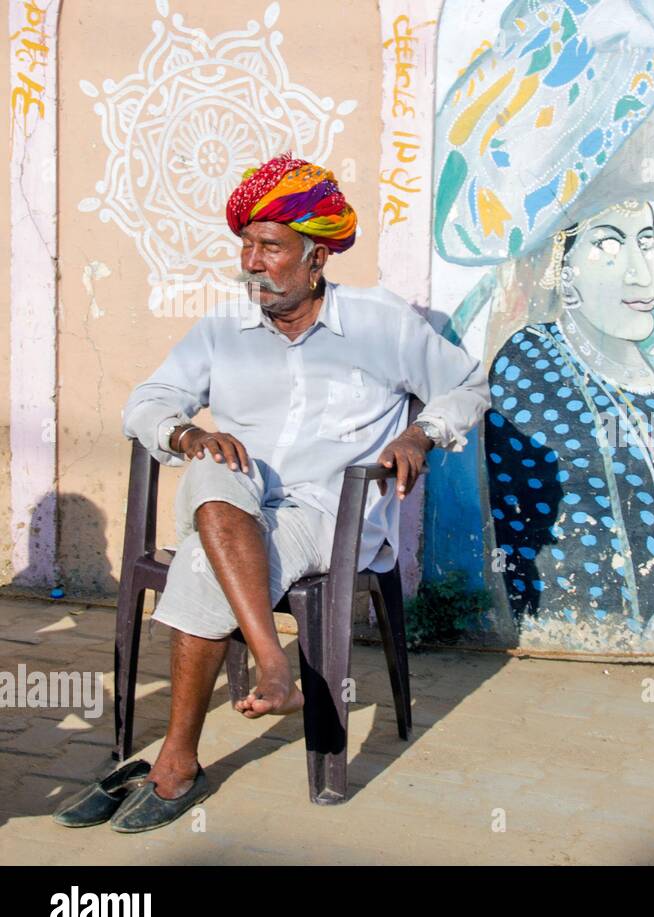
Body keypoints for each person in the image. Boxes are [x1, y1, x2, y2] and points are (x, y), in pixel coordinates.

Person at [91, 155, 488, 831]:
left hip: (331, 514)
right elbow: (149, 400)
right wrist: (186, 435)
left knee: (197, 560)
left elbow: (467, 385)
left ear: (317, 257)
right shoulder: (223, 328)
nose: (252, 262)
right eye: (245, 245)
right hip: (240, 500)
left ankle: (177, 762)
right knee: (213, 475)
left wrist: (421, 434)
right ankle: (272, 662)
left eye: (269, 247)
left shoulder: (380, 322)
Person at [432, 0, 654, 648]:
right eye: (610, 245)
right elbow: (588, 623)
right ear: (562, 268)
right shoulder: (534, 369)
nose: (641, 270)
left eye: (646, 239)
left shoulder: (651, 360)